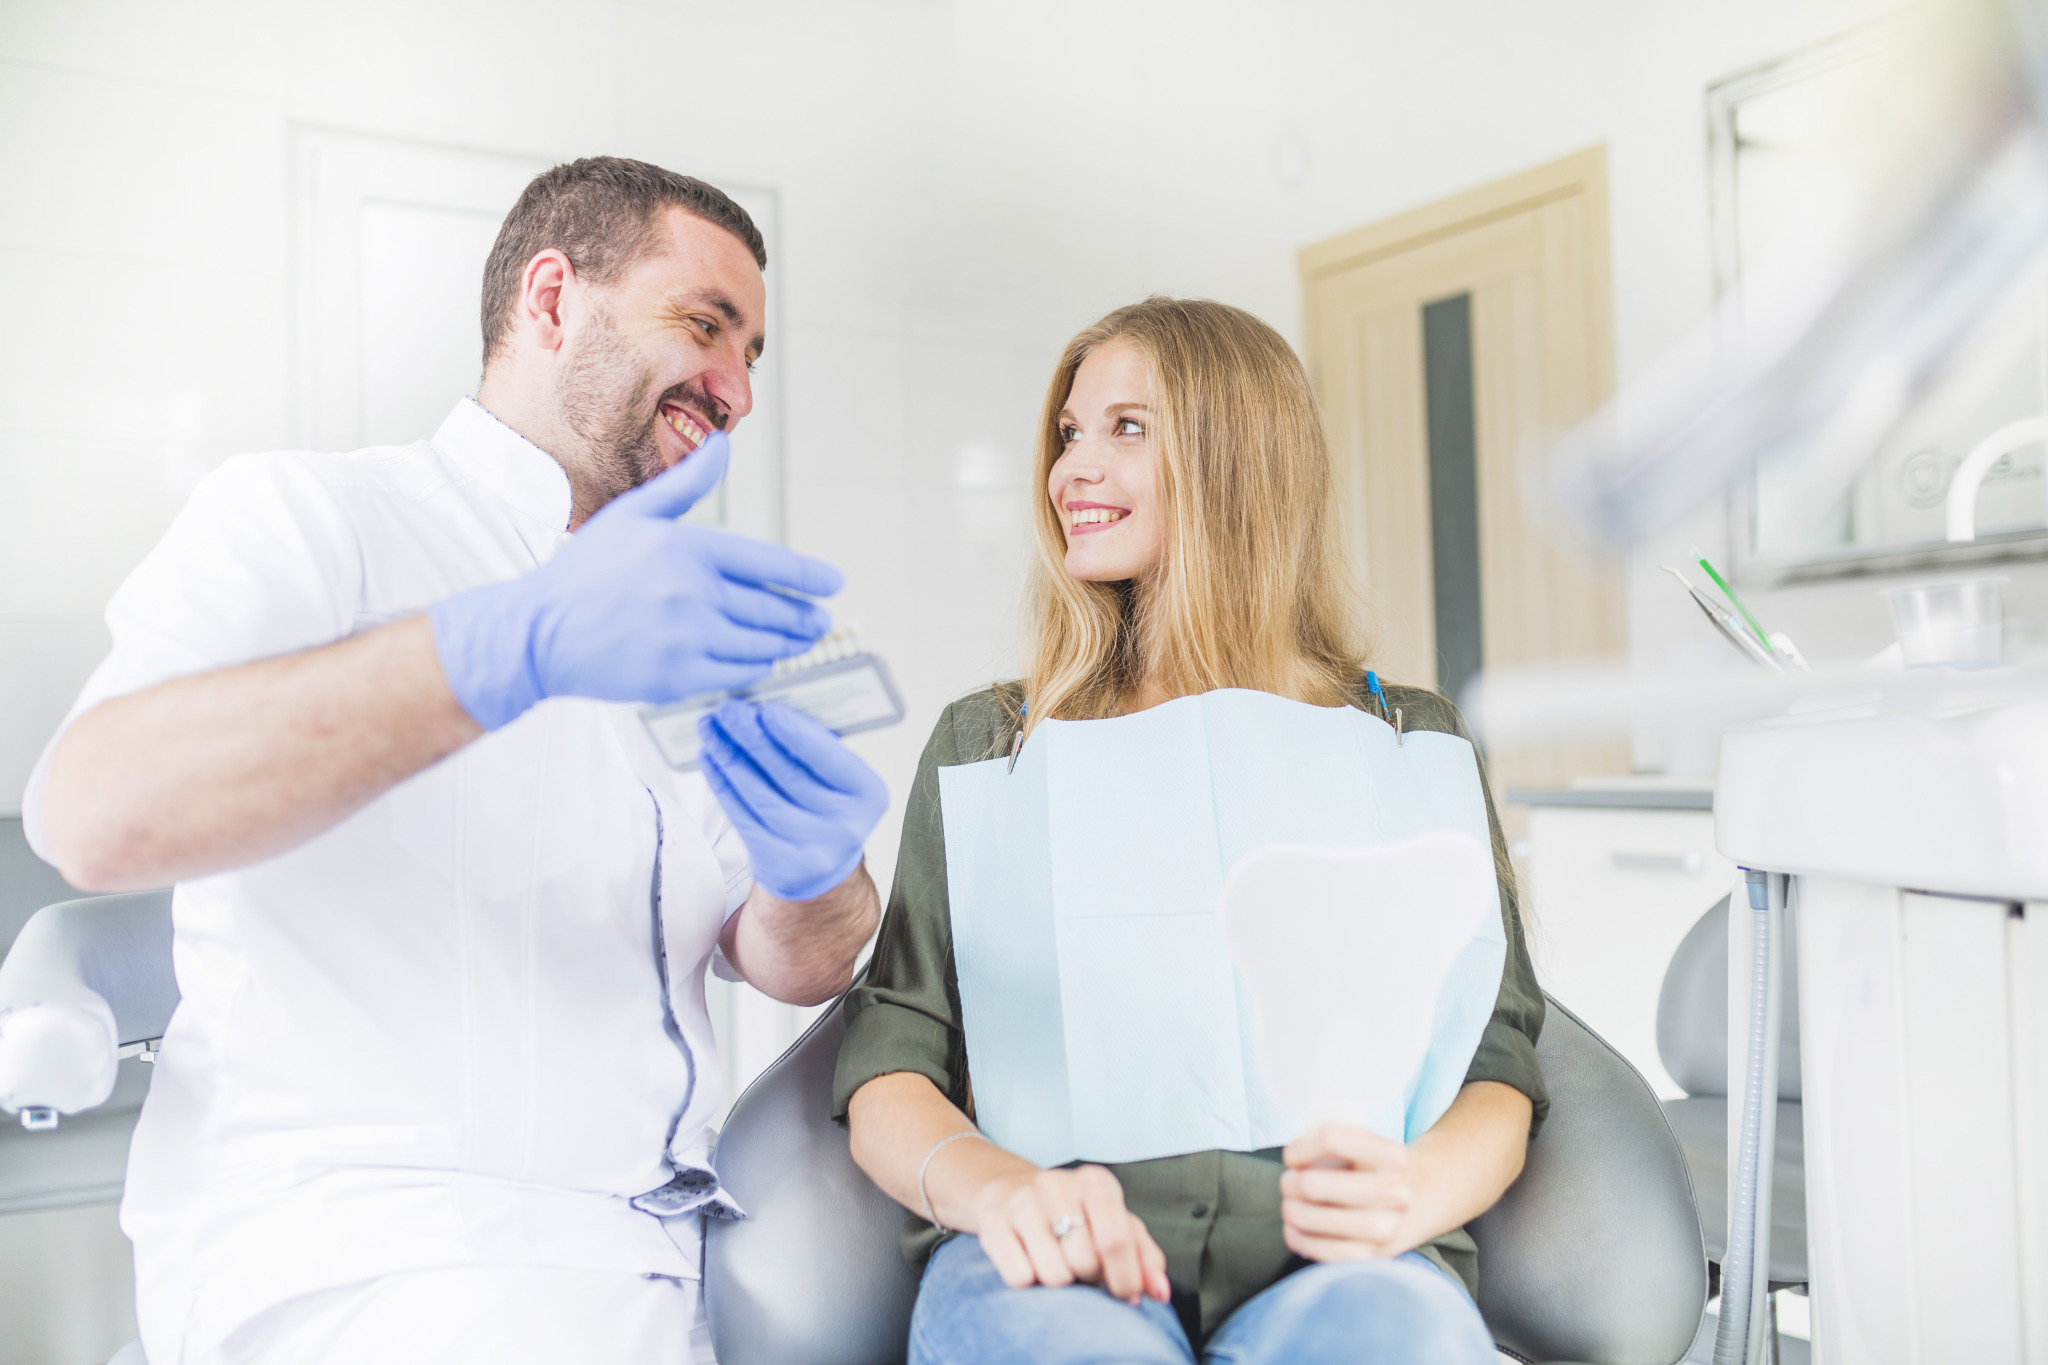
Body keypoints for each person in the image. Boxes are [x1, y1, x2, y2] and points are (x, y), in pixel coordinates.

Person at [27, 158, 889, 1365]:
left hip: (668, 1263)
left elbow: (789, 962)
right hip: (371, 1258)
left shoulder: (689, 628)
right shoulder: (312, 520)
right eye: (706, 326)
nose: (738, 388)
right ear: (550, 301)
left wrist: (820, 869)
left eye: (752, 356)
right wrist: (503, 648)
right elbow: (95, 812)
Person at [834, 297, 1545, 1364]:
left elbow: (1495, 1055)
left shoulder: (1406, 740)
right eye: (1068, 433)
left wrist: (1412, 1197)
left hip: (1344, 1259)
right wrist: (1004, 1196)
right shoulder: (993, 745)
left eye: (1126, 428)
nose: (1070, 468)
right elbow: (892, 1053)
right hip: (1057, 1251)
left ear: (1238, 458)